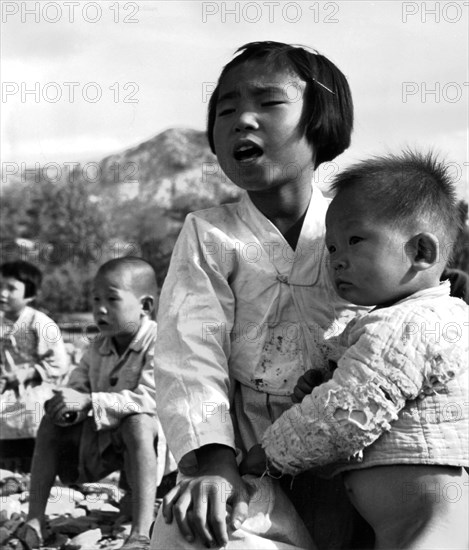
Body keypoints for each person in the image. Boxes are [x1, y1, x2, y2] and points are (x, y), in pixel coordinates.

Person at [151, 41, 365, 549]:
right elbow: (189, 352)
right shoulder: (208, 233)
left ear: (320, 124)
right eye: (226, 109)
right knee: (197, 531)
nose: (242, 119)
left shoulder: (362, 231)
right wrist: (216, 463)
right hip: (246, 456)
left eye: (268, 103)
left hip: (356, 448)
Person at [251, 151, 468, 549]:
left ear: (421, 252)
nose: (337, 260)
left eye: (354, 240)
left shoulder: (414, 322)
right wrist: (325, 379)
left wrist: (269, 453)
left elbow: (348, 411)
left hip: (429, 523)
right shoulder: (395, 321)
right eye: (331, 249)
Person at [19, 257, 176, 550]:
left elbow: (151, 398)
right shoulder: (97, 345)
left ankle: (140, 533)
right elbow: (77, 385)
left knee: (139, 422)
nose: (100, 309)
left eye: (112, 299)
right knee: (51, 419)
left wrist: (89, 402)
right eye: (95, 299)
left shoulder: (161, 342)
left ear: (145, 307)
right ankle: (34, 520)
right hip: (106, 442)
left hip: (155, 456)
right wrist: (66, 404)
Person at [0, 260, 69, 448]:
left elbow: (59, 363)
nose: (2, 293)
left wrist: (28, 373)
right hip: (5, 384)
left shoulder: (40, 323)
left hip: (35, 384)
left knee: (30, 408)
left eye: (11, 289)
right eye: (0, 286)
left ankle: (28, 455)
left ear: (29, 295)